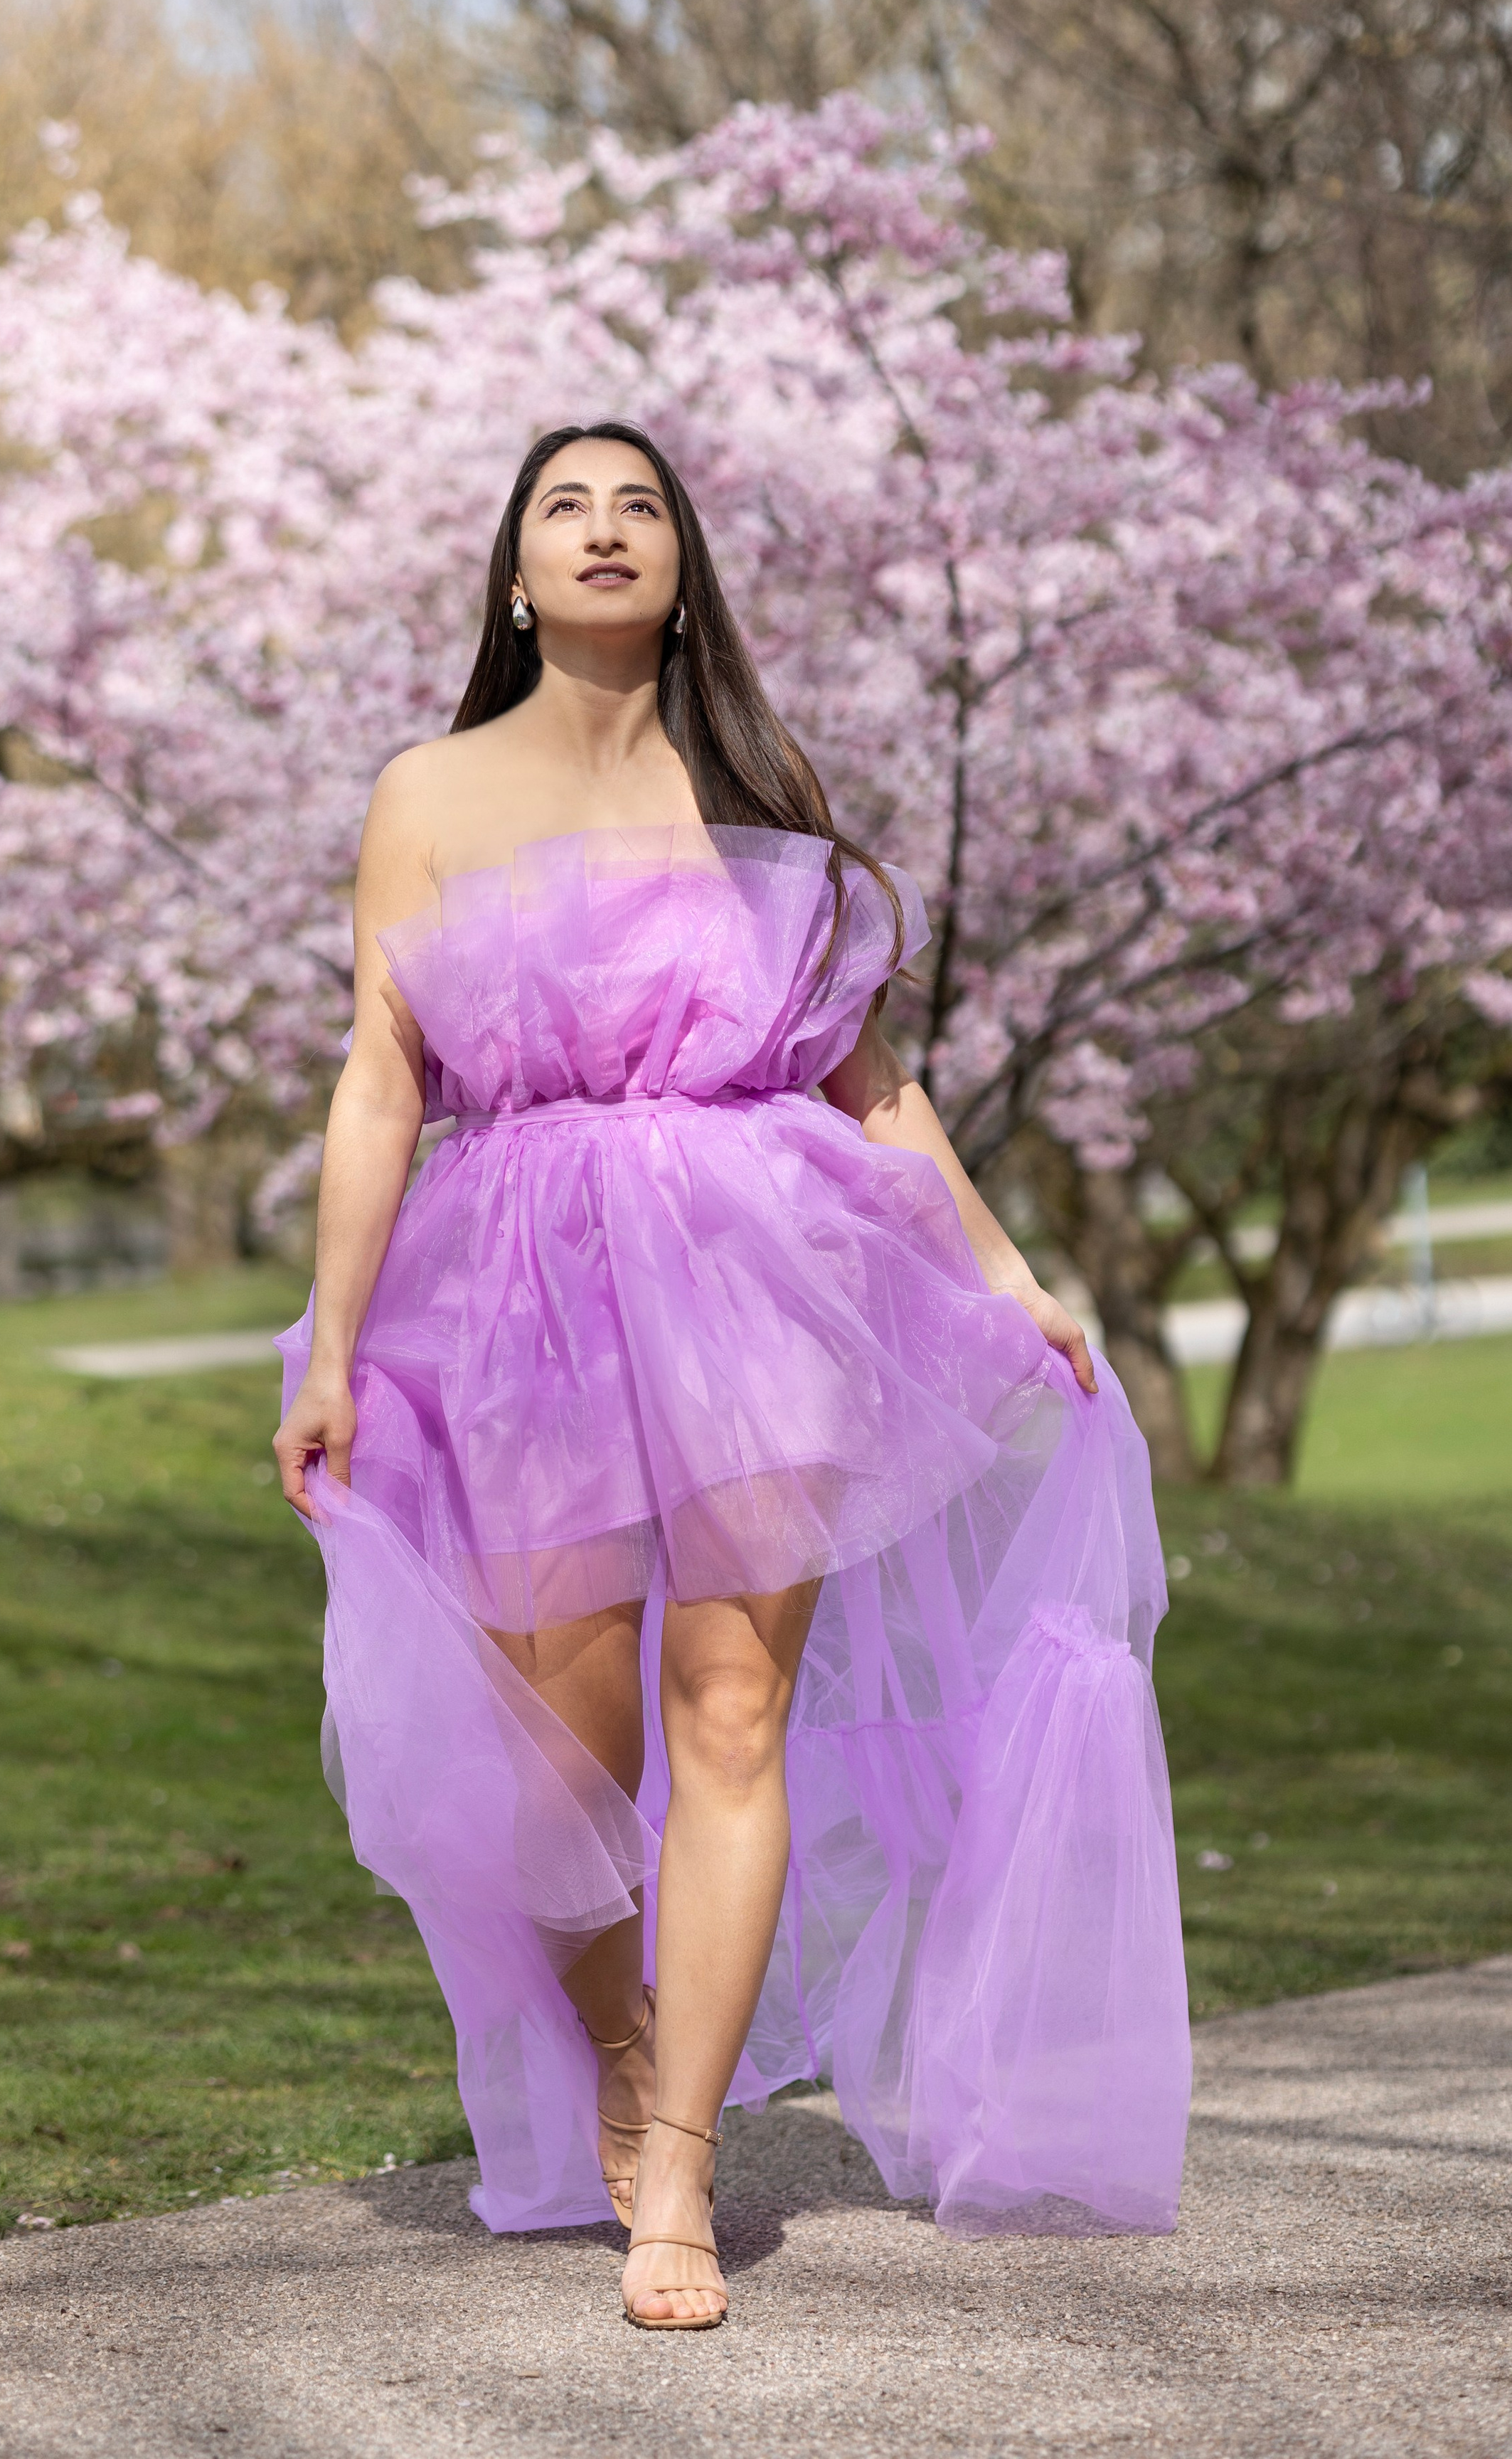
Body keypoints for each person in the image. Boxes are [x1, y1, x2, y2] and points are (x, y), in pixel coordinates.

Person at [273, 423, 1191, 2335]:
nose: (605, 533)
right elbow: (381, 1080)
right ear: (515, 573)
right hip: (519, 1292)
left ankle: (681, 2160)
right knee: (559, 1763)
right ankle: (617, 2051)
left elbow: (873, 1081)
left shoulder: (755, 787)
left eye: (640, 509)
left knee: (733, 1709)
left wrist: (1007, 1271)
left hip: (756, 1274)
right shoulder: (428, 792)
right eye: (564, 509)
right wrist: (338, 1342)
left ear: (681, 564)